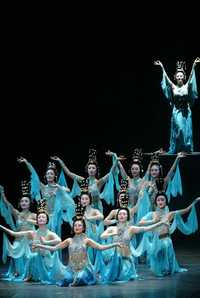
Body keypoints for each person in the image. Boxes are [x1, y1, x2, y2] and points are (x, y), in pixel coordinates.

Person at [31, 204, 121, 287]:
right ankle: (73, 278)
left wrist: (114, 244)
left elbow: (100, 247)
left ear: (83, 228)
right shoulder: (69, 241)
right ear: (73, 228)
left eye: (79, 225)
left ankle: (79, 279)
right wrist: (40, 246)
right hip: (71, 269)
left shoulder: (87, 240)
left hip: (84, 269)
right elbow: (54, 248)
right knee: (66, 279)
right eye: (75, 225)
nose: (77, 227)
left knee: (80, 278)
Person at [100, 194, 168, 283]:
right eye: (120, 214)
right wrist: (114, 232)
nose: (121, 215)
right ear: (117, 217)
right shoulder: (112, 229)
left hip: (126, 259)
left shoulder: (131, 229)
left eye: (124, 214)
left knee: (123, 276)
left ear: (127, 217)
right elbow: (102, 236)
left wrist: (160, 223)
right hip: (115, 260)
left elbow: (147, 228)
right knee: (110, 276)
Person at [139, 178, 200, 276]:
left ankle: (167, 268)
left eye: (162, 199)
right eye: (158, 200)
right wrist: (153, 221)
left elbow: (185, 210)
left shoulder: (170, 214)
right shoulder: (152, 214)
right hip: (157, 240)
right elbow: (140, 223)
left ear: (165, 202)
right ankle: (161, 268)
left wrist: (194, 202)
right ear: (156, 202)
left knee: (167, 251)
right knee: (158, 255)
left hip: (166, 239)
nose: (160, 201)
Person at [0, 200, 61, 283]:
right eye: (39, 217)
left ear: (47, 220)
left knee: (35, 256)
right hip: (35, 261)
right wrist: (1, 227)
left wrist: (46, 243)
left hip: (46, 261)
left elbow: (59, 240)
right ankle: (30, 274)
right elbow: (14, 233)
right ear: (37, 220)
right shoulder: (32, 233)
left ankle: (39, 274)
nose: (41, 218)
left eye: (43, 217)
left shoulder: (50, 233)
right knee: (33, 256)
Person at [17, 157, 75, 235]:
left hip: (56, 218)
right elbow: (34, 175)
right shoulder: (43, 188)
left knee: (54, 237)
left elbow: (68, 194)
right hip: (45, 217)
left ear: (55, 176)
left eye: (51, 174)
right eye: (47, 174)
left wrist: (60, 190)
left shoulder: (59, 188)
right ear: (45, 176)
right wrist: (27, 163)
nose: (49, 175)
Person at [154, 57, 200, 153]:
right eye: (178, 76)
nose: (179, 77)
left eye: (181, 76)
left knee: (186, 132)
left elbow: (191, 76)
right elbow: (166, 78)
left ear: (183, 77)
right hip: (177, 111)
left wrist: (194, 65)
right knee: (179, 129)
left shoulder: (187, 86)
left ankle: (185, 149)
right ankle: (177, 148)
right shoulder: (173, 87)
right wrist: (162, 66)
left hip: (186, 112)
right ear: (175, 77)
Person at [51, 148, 117, 212]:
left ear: (96, 170)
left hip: (97, 209)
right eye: (89, 168)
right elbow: (69, 173)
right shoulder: (83, 181)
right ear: (87, 169)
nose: (91, 170)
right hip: (85, 208)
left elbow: (111, 173)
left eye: (93, 168)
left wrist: (114, 157)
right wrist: (60, 161)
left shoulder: (99, 182)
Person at [0, 181, 36, 279]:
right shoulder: (17, 214)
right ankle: (18, 271)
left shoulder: (33, 215)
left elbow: (42, 223)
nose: (23, 203)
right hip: (19, 240)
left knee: (30, 254)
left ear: (30, 203)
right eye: (22, 201)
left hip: (29, 240)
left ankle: (29, 272)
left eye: (26, 201)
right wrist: (2, 192)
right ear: (19, 203)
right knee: (15, 248)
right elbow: (7, 204)